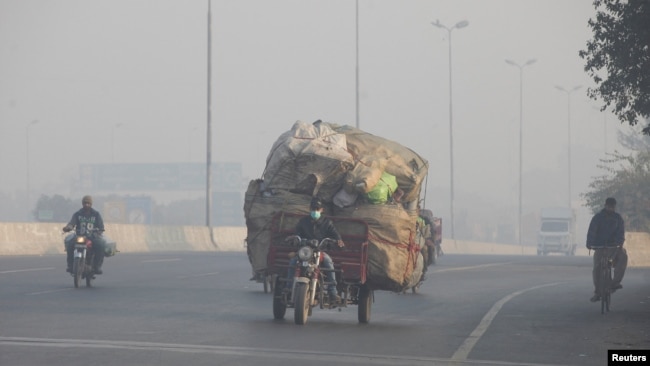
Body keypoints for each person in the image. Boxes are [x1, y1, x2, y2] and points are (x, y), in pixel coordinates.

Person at [287, 197, 345, 303]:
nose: (315, 211)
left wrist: (338, 240)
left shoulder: (327, 223)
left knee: (328, 262)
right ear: (310, 209)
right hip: (305, 251)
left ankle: (333, 292)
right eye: (313, 209)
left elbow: (335, 233)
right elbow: (297, 232)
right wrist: (294, 237)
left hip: (319, 251)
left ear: (321, 210)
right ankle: (289, 288)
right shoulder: (303, 221)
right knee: (293, 262)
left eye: (317, 209)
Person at [586, 197, 627, 302]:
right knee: (596, 268)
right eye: (609, 206)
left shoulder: (618, 219)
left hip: (614, 247)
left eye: (612, 207)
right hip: (599, 247)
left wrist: (619, 243)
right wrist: (589, 243)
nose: (610, 208)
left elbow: (620, 233)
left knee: (623, 257)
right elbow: (592, 231)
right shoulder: (597, 218)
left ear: (614, 207)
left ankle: (615, 283)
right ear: (605, 206)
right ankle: (598, 292)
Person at [63, 195, 107, 274]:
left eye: (88, 203)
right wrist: (67, 228)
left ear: (91, 204)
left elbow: (101, 226)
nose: (86, 205)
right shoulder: (77, 214)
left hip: (92, 236)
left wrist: (99, 231)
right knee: (70, 244)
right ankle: (70, 265)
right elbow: (71, 223)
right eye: (85, 203)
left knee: (101, 245)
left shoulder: (96, 214)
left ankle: (97, 266)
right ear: (82, 204)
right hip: (79, 236)